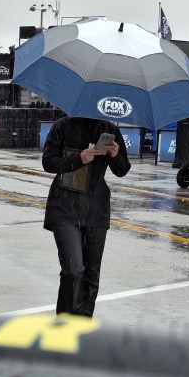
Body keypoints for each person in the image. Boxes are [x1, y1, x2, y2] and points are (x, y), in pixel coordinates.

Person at [41, 116, 130, 317]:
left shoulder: (109, 129)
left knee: (91, 275)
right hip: (64, 207)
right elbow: (48, 162)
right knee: (73, 270)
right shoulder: (62, 126)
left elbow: (123, 170)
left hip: (96, 208)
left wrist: (115, 155)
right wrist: (79, 158)